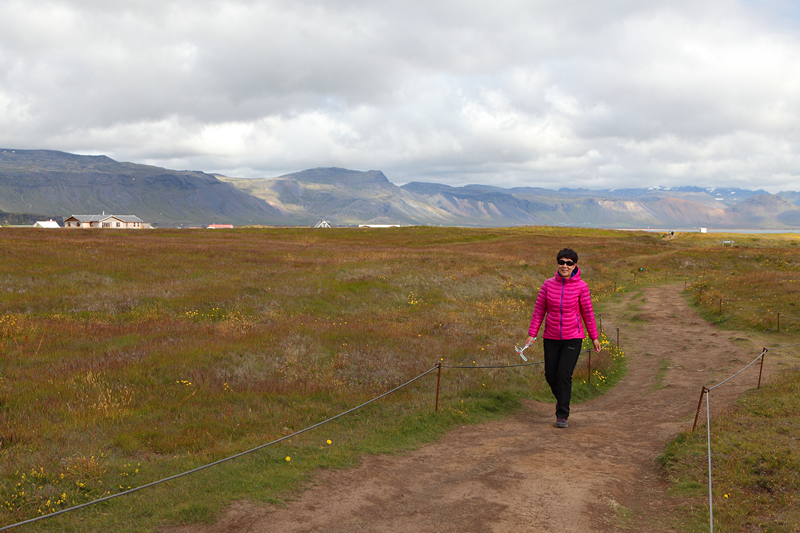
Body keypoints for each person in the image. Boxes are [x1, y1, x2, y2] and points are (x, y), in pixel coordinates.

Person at [525, 248, 601, 428]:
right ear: (557, 263)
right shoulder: (547, 285)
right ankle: (563, 400)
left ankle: (562, 415)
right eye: (562, 262)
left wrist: (594, 337)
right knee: (551, 376)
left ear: (575, 265)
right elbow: (538, 311)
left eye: (569, 263)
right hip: (550, 337)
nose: (565, 266)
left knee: (564, 375)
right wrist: (532, 334)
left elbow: (588, 314)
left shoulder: (581, 287)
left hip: (573, 338)